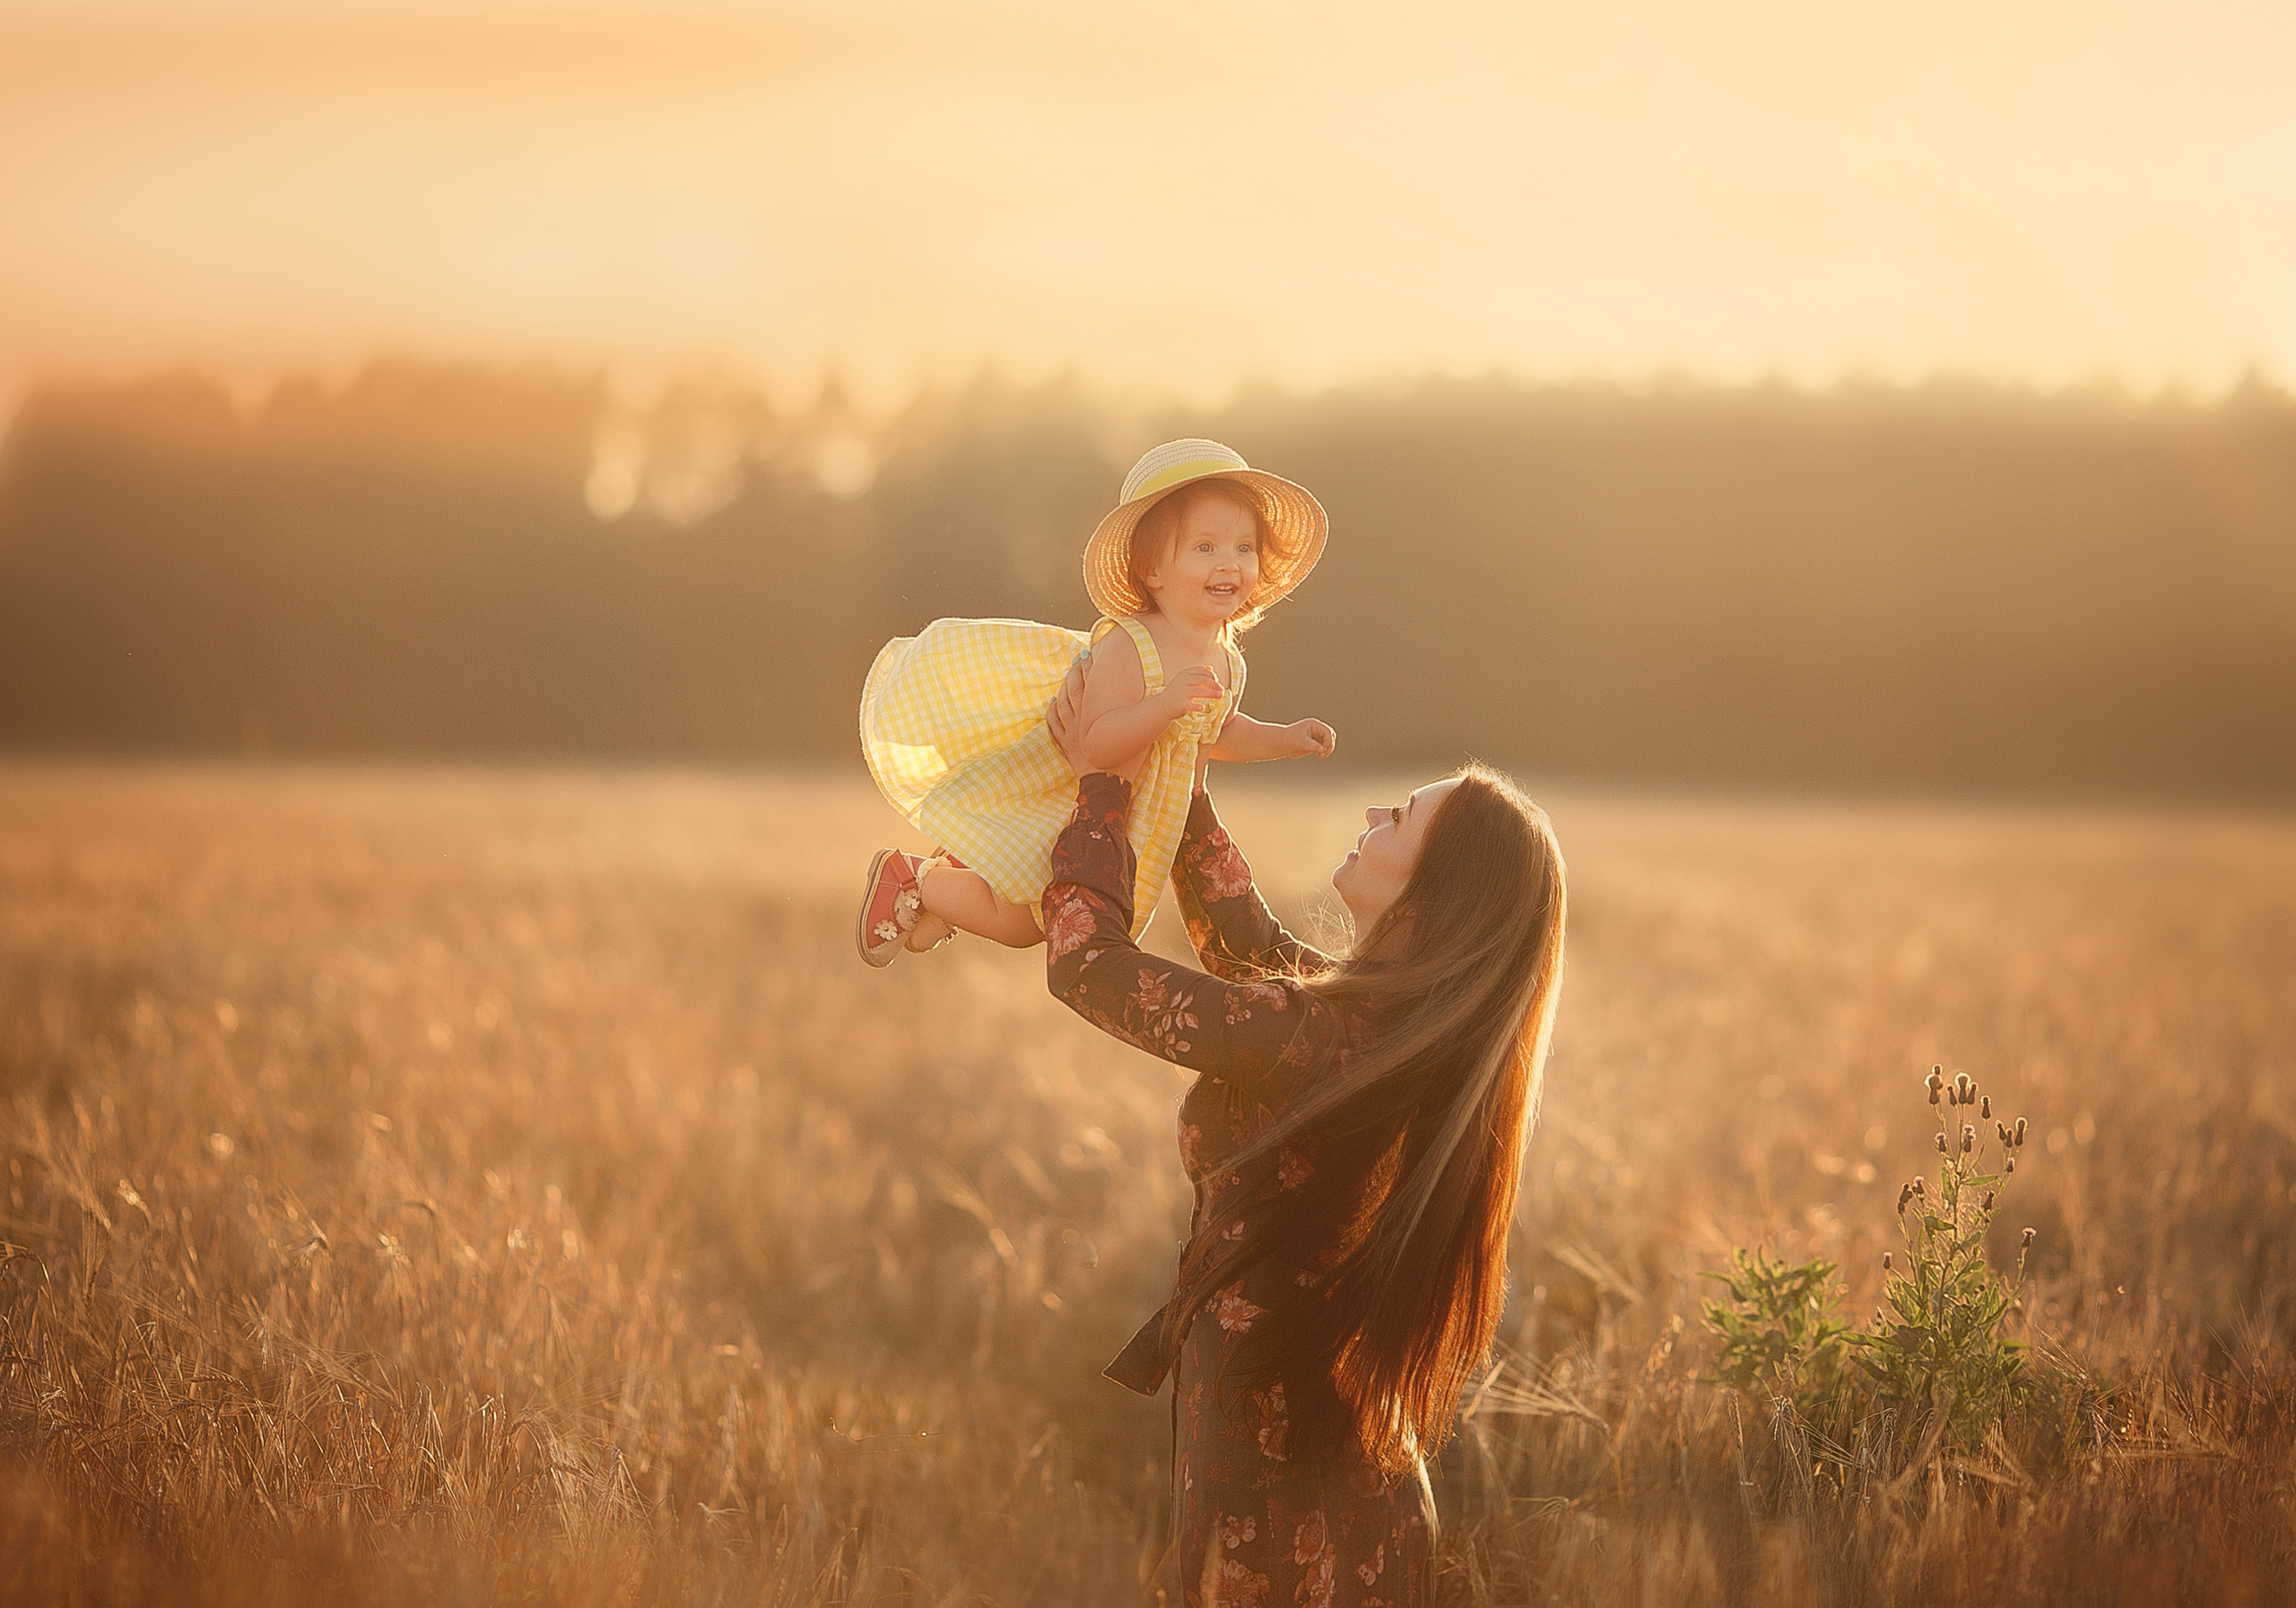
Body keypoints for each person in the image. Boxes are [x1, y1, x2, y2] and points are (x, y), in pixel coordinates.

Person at [1038, 674, 1567, 1606]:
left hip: (1283, 1486)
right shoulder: (1383, 1035)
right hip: (1334, 1466)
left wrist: (1101, 792)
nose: (1373, 809)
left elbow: (1087, 966)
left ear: (1430, 894)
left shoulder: (1321, 1036)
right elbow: (1243, 942)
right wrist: (1175, 765)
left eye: (1401, 815)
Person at [855, 439, 1338, 966]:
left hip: (1130, 821)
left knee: (1035, 912)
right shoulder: (1132, 646)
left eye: (1244, 548)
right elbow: (1096, 742)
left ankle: (943, 890)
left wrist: (1284, 739)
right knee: (1026, 924)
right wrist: (1163, 706)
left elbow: (1217, 733)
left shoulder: (1228, 661)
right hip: (1073, 801)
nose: (1230, 564)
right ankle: (915, 880)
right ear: (1153, 570)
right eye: (1205, 548)